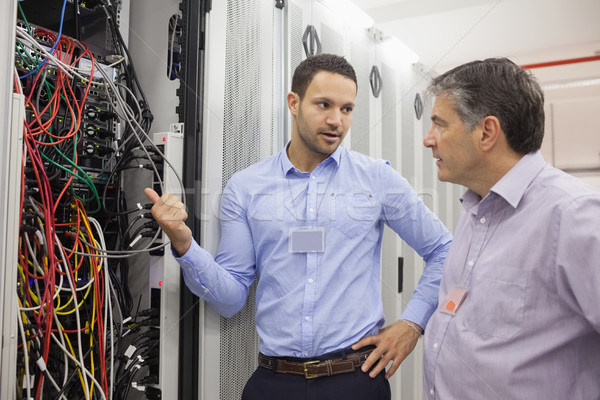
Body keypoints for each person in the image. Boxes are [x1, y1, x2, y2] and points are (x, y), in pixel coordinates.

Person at [145, 53, 452, 400]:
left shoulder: (377, 179)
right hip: (273, 383)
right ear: (294, 102)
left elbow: (444, 249)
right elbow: (231, 298)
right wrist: (184, 244)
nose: (336, 120)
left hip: (355, 380)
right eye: (323, 104)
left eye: (347, 109)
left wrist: (412, 324)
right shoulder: (246, 187)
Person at [422, 57, 600, 399]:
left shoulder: (575, 215)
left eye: (440, 124)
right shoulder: (475, 209)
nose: (429, 140)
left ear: (487, 132)